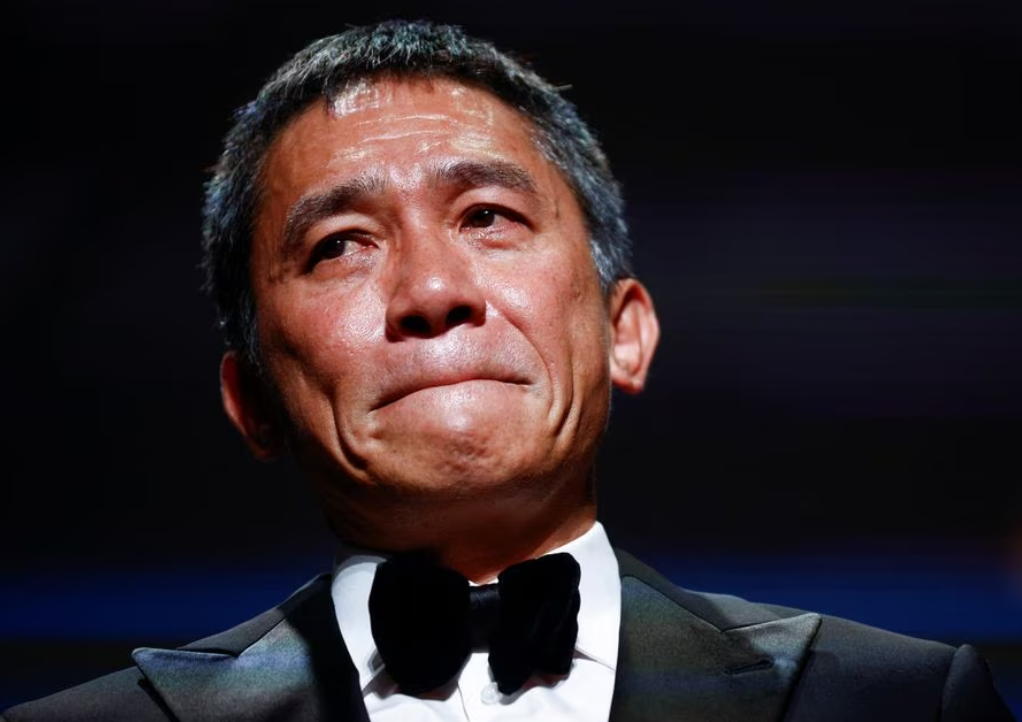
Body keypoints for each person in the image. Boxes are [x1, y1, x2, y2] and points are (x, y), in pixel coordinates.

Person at [2, 18, 1015, 722]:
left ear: (624, 330)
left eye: (488, 216)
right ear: (251, 396)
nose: (430, 287)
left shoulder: (892, 701)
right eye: (339, 243)